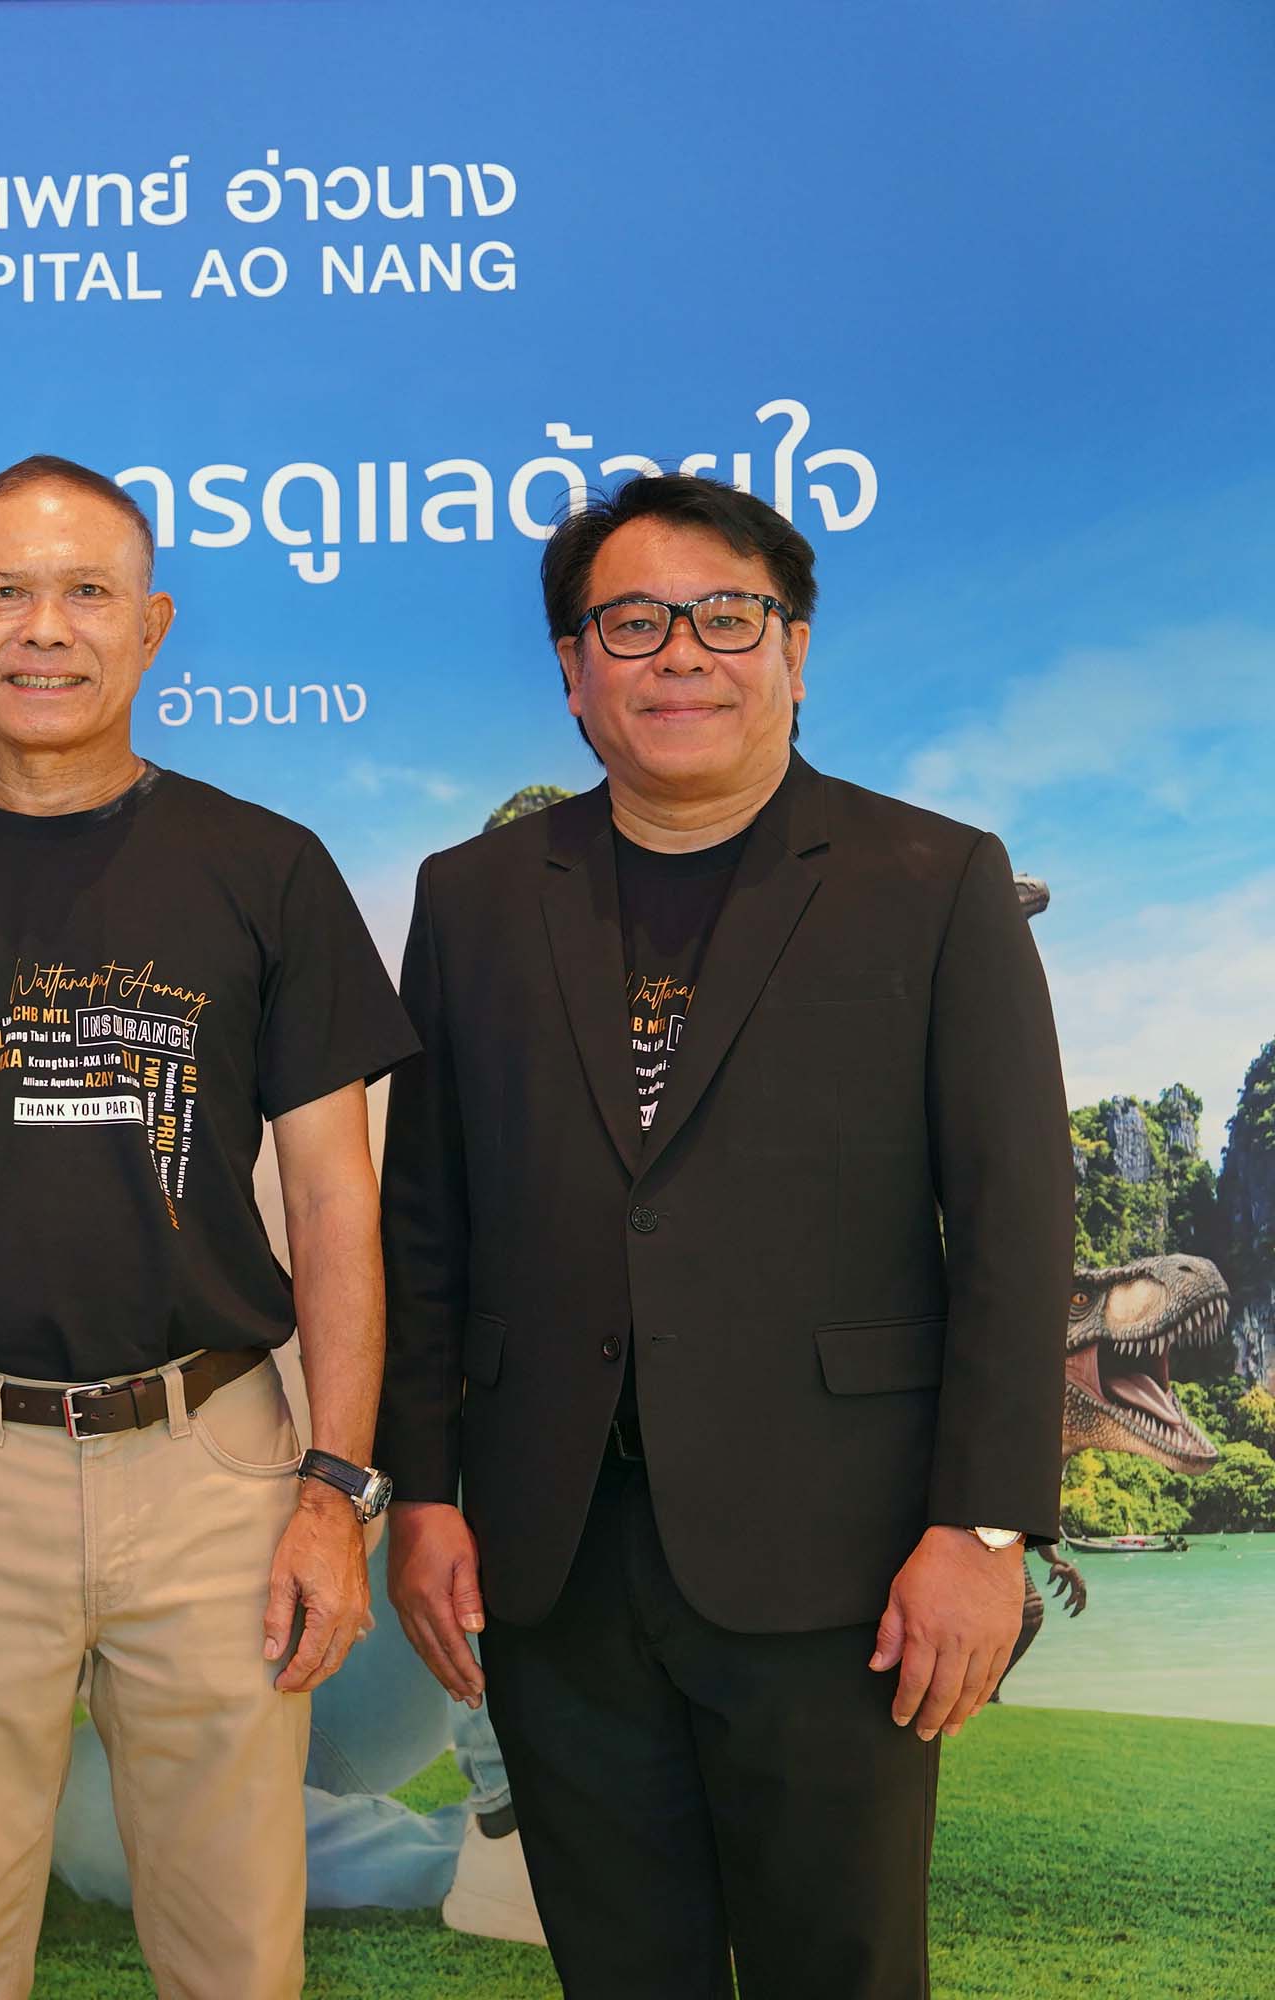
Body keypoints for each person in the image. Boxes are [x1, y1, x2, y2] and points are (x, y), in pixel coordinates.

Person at [378, 473, 1071, 1996]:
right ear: (575, 671)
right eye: (632, 623)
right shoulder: (474, 898)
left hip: (844, 1560)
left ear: (795, 651)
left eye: (726, 617)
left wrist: (984, 1529)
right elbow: (424, 1221)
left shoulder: (931, 879)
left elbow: (1016, 1227)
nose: (680, 652)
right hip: (554, 1556)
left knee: (843, 1966)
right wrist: (420, 1489)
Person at [0, 454, 418, 1998]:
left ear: (152, 624)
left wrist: (336, 1488)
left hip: (216, 1473)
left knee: (234, 1950)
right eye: (5, 594)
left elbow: (337, 1202)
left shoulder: (267, 870)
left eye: (86, 592)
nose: (45, 629)